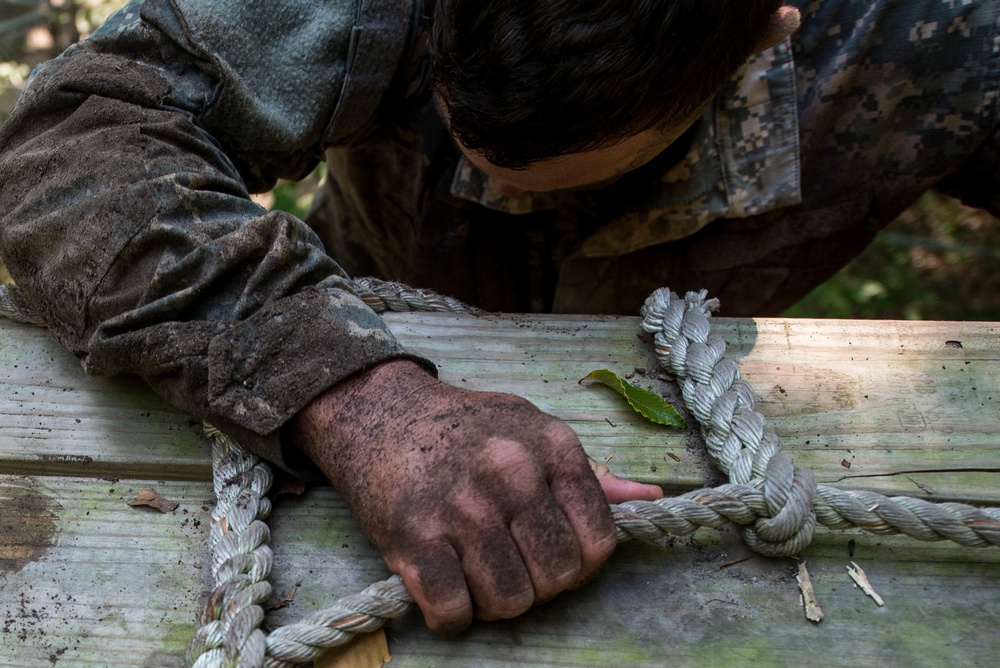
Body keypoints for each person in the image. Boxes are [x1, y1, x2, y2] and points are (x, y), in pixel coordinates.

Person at [0, 0, 996, 634]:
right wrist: (359, 401)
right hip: (353, 306)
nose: (474, 162)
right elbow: (70, 138)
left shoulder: (945, 28)